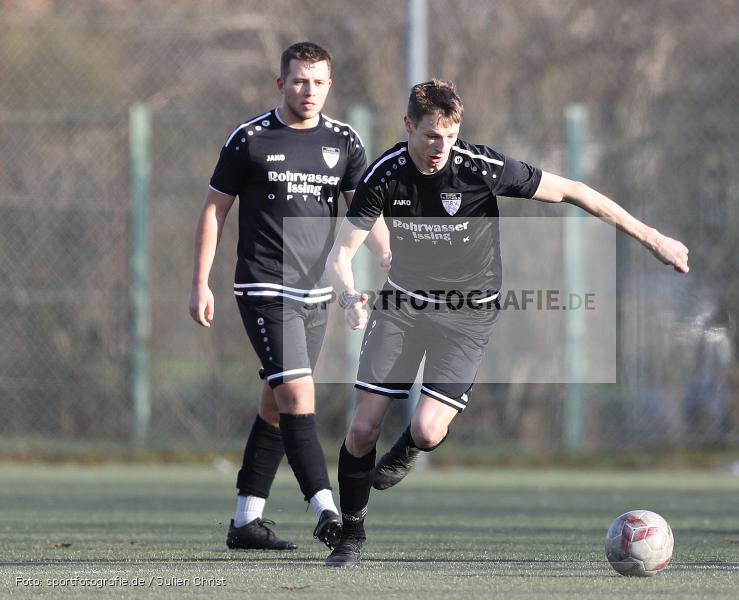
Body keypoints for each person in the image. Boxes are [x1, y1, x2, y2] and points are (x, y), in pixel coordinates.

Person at [323, 80, 689, 566]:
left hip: (468, 312)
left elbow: (574, 191)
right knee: (363, 428)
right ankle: (351, 534)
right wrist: (350, 296)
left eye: (450, 136)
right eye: (431, 135)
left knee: (428, 431)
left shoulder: (480, 166)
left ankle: (409, 447)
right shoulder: (384, 175)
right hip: (403, 306)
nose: (441, 147)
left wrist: (654, 238)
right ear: (408, 125)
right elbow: (341, 254)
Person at [189, 42, 388, 552]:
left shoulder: (344, 141)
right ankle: (327, 512)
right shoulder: (250, 138)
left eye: (318, 82)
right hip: (264, 287)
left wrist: (391, 257)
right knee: (299, 397)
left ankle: (246, 522)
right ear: (281, 83)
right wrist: (200, 282)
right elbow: (215, 210)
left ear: (330, 85)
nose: (309, 90)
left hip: (315, 294)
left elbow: (363, 213)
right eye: (299, 80)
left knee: (277, 406)